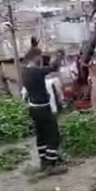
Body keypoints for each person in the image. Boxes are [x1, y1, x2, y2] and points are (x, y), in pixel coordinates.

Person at [21, 47, 68, 175]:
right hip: (43, 108)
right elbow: (54, 68)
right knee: (53, 137)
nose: (41, 60)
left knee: (41, 137)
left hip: (33, 109)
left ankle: (44, 162)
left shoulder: (25, 71)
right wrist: (59, 55)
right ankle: (51, 165)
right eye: (40, 57)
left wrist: (34, 45)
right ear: (35, 58)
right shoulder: (36, 72)